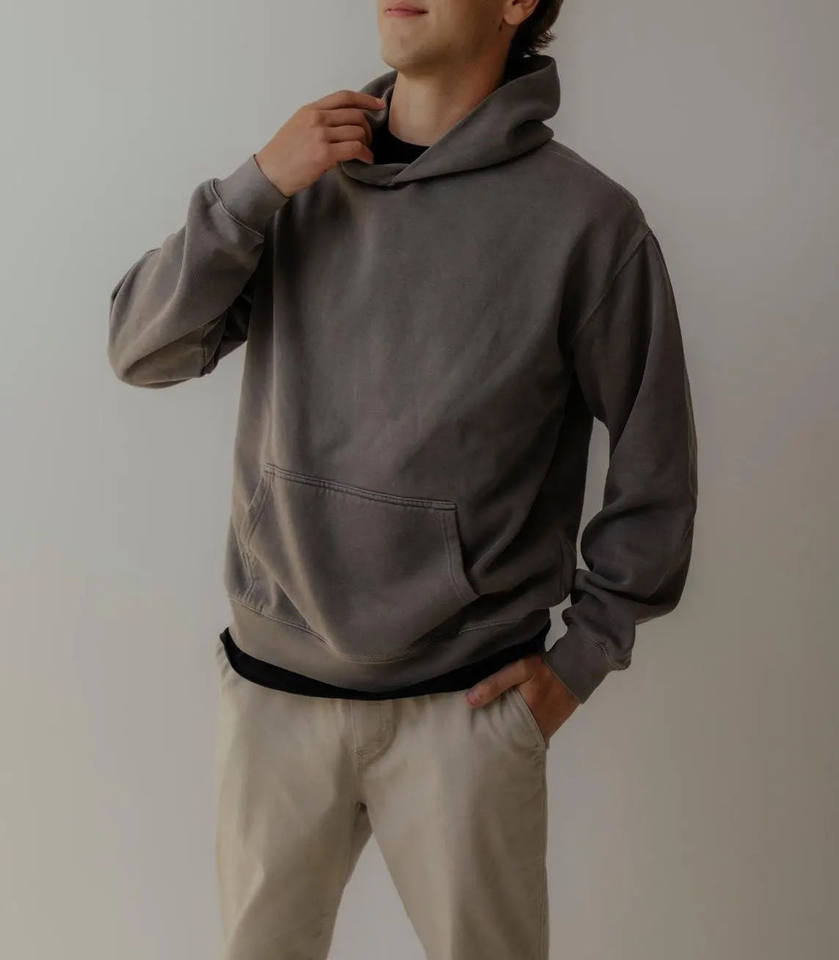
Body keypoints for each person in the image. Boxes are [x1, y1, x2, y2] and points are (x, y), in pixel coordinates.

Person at [107, 1, 698, 957]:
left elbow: (656, 465)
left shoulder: (588, 223)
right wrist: (254, 189)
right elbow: (141, 351)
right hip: (274, 696)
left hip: (465, 710)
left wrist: (580, 661)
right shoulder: (296, 183)